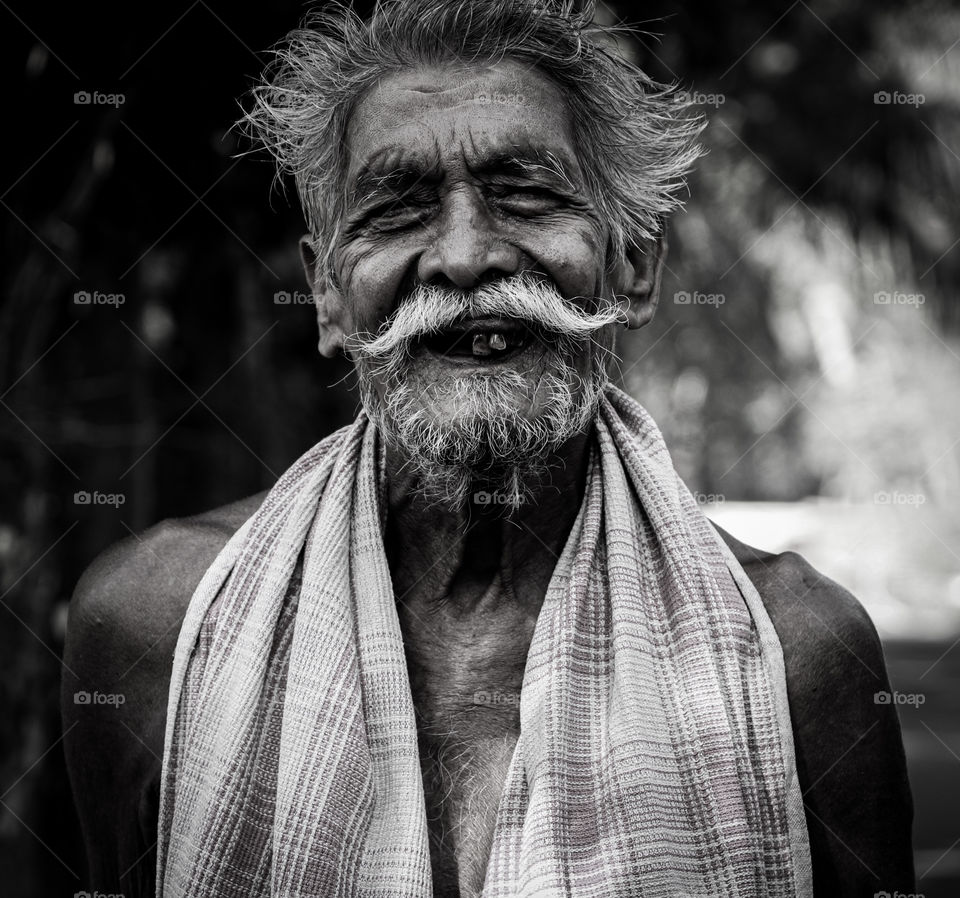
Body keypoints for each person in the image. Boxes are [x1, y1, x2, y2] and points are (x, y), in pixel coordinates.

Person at [61, 2, 915, 896]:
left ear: (633, 267)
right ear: (328, 296)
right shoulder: (155, 627)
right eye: (397, 210)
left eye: (528, 195)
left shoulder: (799, 654)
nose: (464, 257)